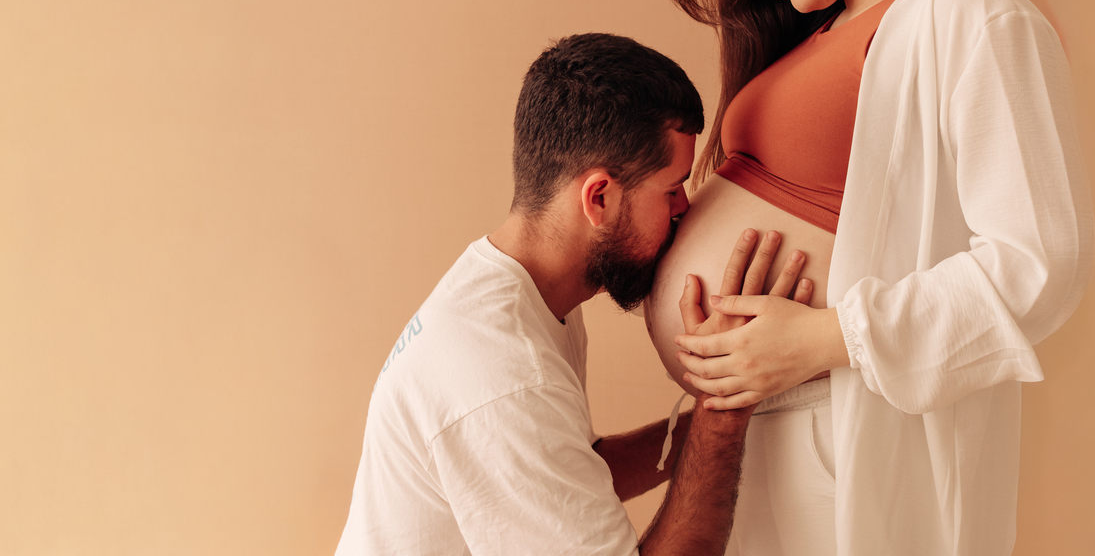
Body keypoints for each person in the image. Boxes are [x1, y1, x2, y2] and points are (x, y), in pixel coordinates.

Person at [641, 0, 1094, 556]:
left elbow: (1042, 260)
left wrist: (826, 339)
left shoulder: (974, 15)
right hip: (760, 431)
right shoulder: (822, 31)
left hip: (838, 420)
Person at [334, 32, 809, 556]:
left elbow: (570, 470)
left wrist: (709, 422)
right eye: (671, 188)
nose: (683, 208)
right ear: (598, 196)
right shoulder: (506, 374)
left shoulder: (519, 296)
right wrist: (723, 407)